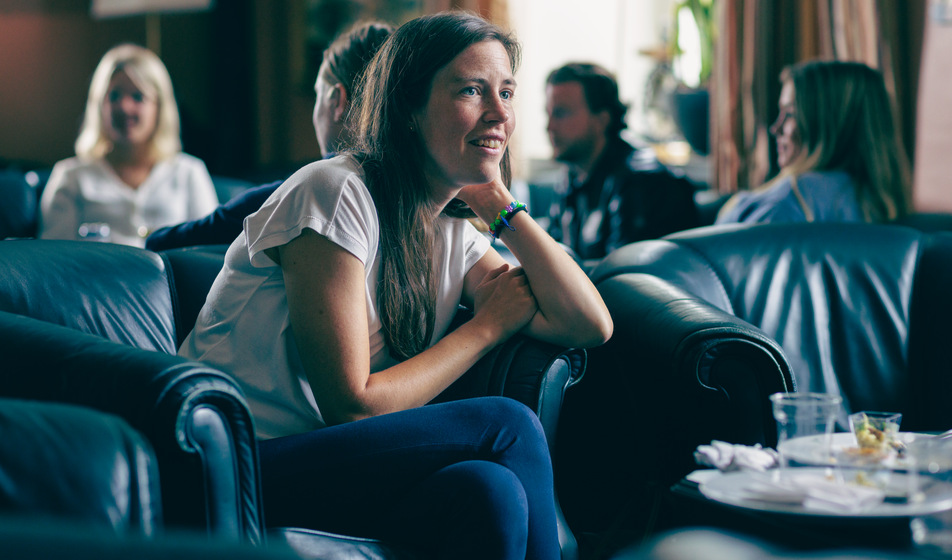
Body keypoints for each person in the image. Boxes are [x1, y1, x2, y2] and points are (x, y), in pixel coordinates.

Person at [179, 11, 613, 560]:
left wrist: (497, 201)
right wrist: (484, 329)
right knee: (505, 425)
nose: (500, 112)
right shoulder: (336, 193)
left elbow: (588, 324)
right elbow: (352, 406)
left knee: (492, 491)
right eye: (472, 91)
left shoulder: (450, 224)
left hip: (335, 460)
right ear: (409, 108)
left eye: (506, 92)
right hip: (236, 460)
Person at [145, 22, 395, 252]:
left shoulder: (302, 192)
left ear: (336, 101)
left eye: (317, 95)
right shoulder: (416, 195)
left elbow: (171, 241)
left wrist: (151, 238)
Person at [39, 44, 218, 247]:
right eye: (114, 96)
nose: (124, 107)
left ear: (159, 107)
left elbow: (208, 254)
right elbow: (54, 265)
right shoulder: (69, 177)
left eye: (138, 97)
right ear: (98, 105)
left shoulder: (190, 172)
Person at [715, 60, 912, 224]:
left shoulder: (781, 204)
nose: (776, 127)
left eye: (790, 113)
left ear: (828, 123)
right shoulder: (885, 209)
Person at [544, 62, 700, 261]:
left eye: (561, 113)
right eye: (548, 113)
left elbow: (622, 277)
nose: (549, 126)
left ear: (602, 119)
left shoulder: (642, 183)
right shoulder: (573, 175)